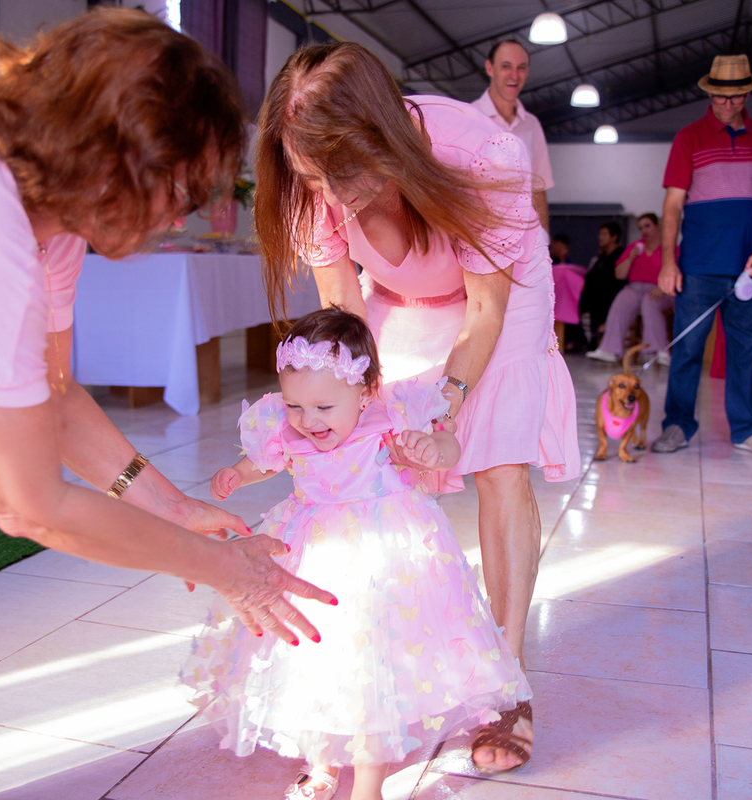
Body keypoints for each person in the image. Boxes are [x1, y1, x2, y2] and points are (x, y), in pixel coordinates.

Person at [0, 11, 335, 796]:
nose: (183, 213)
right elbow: (28, 504)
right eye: (179, 185)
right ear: (112, 161)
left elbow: (51, 401)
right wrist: (226, 570)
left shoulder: (51, 226)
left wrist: (174, 509)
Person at [255, 42, 581, 772]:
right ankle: (390, 660)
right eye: (314, 178)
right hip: (399, 300)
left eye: (342, 174)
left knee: (496, 459)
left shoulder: (487, 154)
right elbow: (343, 312)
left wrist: (444, 413)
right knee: (373, 464)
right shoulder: (313, 180)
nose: (331, 198)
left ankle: (507, 682)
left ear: (384, 136)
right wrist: (349, 413)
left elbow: (484, 314)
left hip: (499, 296)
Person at [187, 309, 531, 800]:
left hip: (381, 560)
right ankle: (323, 760)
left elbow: (449, 448)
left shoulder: (390, 422)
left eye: (324, 408)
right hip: (313, 557)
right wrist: (238, 475)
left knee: (374, 667)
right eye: (295, 406)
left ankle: (367, 786)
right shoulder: (290, 428)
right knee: (319, 658)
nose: (308, 421)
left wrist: (432, 449)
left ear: (365, 392)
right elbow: (268, 459)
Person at [652, 55, 752, 458]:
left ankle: (746, 429)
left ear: (748, 92)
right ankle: (676, 425)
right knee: (688, 351)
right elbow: (672, 206)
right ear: (709, 92)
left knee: (746, 351)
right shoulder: (689, 138)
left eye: (738, 95)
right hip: (698, 269)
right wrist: (669, 262)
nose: (729, 104)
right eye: (721, 96)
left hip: (750, 271)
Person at [471, 39, 554, 232]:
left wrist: (544, 244)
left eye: (521, 68)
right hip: (480, 239)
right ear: (490, 68)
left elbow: (538, 189)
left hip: (525, 240)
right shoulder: (470, 117)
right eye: (506, 66)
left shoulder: (532, 124)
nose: (514, 75)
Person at [587, 213, 676, 365]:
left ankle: (658, 350)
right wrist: (631, 257)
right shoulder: (634, 247)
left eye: (647, 226)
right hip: (634, 288)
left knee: (650, 302)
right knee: (622, 299)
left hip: (661, 289)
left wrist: (664, 287)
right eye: (640, 228)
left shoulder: (669, 249)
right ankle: (610, 350)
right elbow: (619, 275)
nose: (644, 231)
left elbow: (677, 271)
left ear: (657, 226)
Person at [579, 221, 627, 349]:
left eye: (604, 234)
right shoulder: (600, 258)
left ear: (614, 237)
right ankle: (584, 337)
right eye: (600, 234)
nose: (600, 237)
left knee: (601, 293)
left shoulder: (620, 255)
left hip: (611, 295)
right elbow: (590, 277)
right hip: (595, 297)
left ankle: (600, 331)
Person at [551, 233, 589, 353]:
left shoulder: (566, 262)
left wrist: (562, 258)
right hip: (553, 295)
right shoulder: (546, 258)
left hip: (564, 298)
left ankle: (573, 342)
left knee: (570, 310)